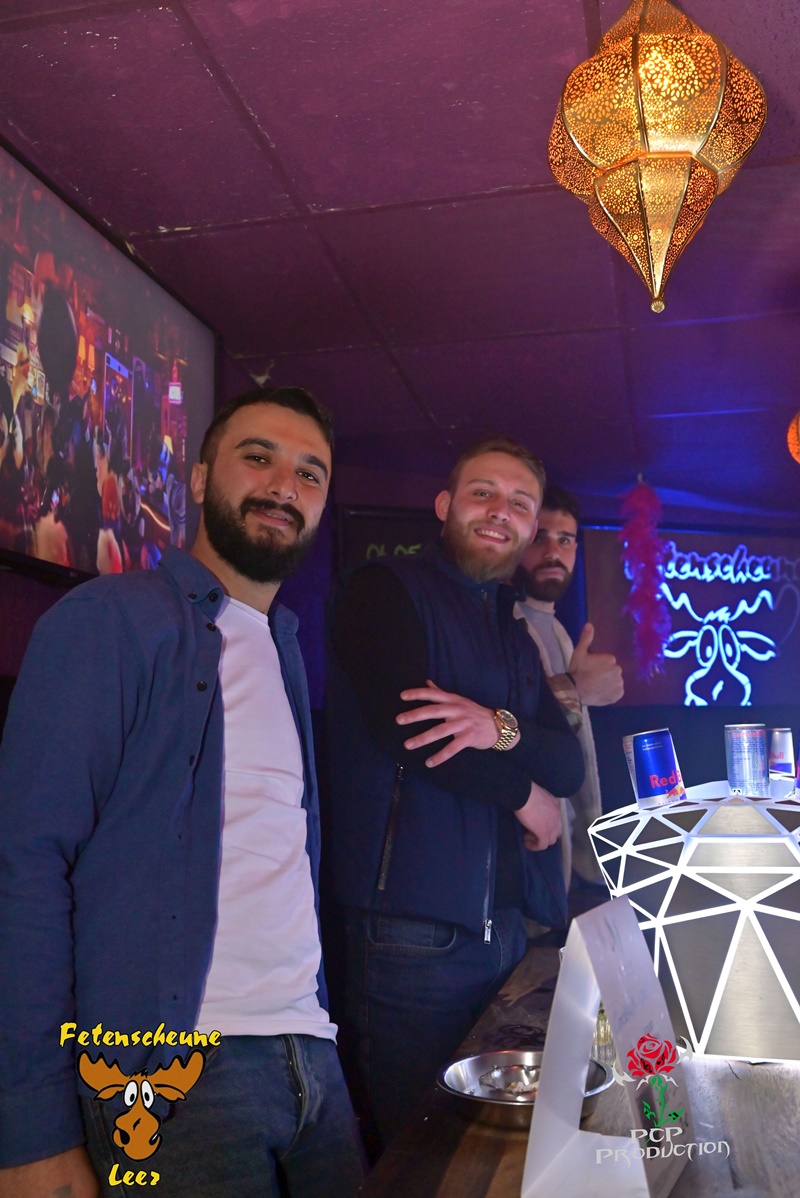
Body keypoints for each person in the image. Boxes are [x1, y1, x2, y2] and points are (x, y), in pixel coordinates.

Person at [0, 387, 364, 1198]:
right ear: (199, 479)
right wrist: (31, 1130)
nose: (284, 485)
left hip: (310, 1055)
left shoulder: (284, 647)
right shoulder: (108, 620)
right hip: (168, 1075)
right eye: (258, 457)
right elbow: (22, 864)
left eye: (310, 473)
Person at [326, 436, 585, 1152]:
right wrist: (523, 794)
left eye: (520, 503)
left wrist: (495, 727)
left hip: (505, 930)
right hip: (409, 934)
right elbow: (411, 730)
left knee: (495, 1153)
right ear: (444, 505)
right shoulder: (382, 589)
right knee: (421, 1153)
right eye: (483, 493)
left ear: (530, 528)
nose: (501, 511)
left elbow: (566, 765)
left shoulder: (512, 631)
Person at [515, 483, 623, 900]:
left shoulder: (558, 628)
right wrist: (576, 689)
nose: (552, 552)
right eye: (539, 537)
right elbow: (504, 724)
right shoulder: (501, 620)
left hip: (571, 855)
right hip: (522, 843)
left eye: (565, 540)